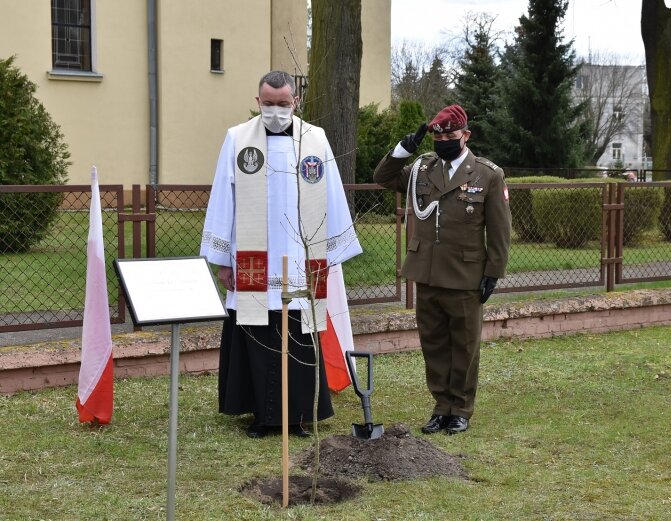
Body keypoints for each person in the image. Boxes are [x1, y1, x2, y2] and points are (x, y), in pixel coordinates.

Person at [200, 70, 362, 438]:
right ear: (258, 101)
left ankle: (300, 414)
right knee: (257, 333)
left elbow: (333, 192)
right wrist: (224, 259)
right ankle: (262, 414)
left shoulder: (315, 140)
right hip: (254, 257)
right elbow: (224, 196)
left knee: (301, 334)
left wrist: (331, 253)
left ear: (296, 102)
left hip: (302, 257)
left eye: (283, 104)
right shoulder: (238, 138)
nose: (275, 111)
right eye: (269, 104)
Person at [373, 105, 511, 435]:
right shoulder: (422, 169)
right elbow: (383, 178)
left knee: (464, 345)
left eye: (451, 136)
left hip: (465, 276)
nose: (445, 141)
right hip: (428, 273)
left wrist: (493, 272)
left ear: (466, 135)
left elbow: (500, 229)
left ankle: (460, 408)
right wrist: (401, 150)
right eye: (439, 137)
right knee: (434, 343)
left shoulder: (487, 174)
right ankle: (440, 406)